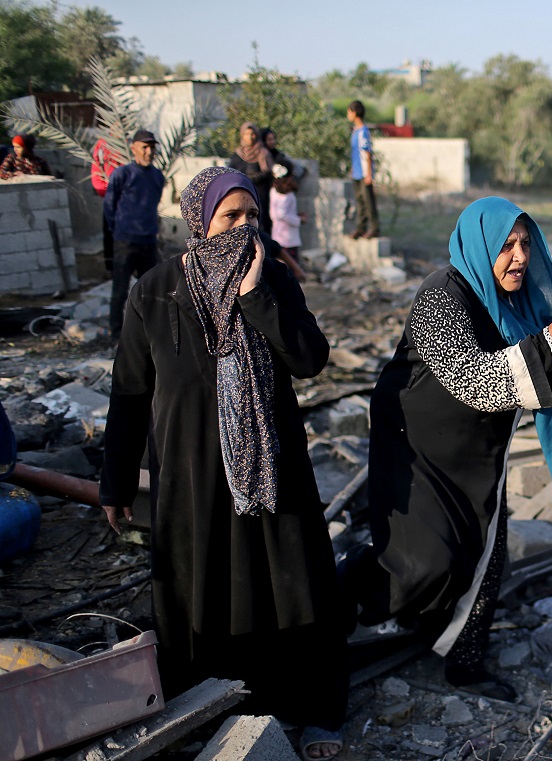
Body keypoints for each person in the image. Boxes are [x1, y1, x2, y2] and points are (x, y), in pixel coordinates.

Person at [344, 197, 552, 701]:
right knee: (421, 560)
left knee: (484, 555)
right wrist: (548, 346)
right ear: (479, 246)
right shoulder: (442, 296)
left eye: (526, 243)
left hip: (479, 453)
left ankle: (464, 662)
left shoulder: (516, 300)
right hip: (418, 452)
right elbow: (473, 380)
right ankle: (344, 601)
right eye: (506, 245)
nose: (520, 257)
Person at [99, 166, 346, 760]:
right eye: (230, 217)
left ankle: (299, 706)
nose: (243, 227)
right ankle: (214, 707)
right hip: (191, 476)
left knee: (285, 581)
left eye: (251, 216)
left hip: (272, 470)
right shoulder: (155, 290)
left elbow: (310, 359)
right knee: (206, 583)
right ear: (199, 219)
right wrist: (115, 480)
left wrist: (255, 298)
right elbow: (130, 393)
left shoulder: (273, 279)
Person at [104, 130, 164, 341]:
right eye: (144, 147)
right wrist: (119, 230)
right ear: (134, 148)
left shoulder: (157, 176)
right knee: (120, 291)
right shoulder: (122, 174)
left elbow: (153, 206)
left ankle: (150, 334)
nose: (149, 152)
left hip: (148, 241)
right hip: (125, 241)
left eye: (152, 147)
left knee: (151, 291)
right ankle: (116, 334)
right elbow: (109, 207)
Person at [228, 121, 274, 235]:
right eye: (246, 134)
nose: (250, 137)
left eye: (252, 134)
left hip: (259, 193)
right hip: (240, 193)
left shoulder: (263, 153)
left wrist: (249, 179)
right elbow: (230, 172)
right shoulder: (237, 154)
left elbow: (267, 172)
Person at [347, 101, 379, 239]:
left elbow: (367, 153)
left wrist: (369, 174)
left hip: (364, 173)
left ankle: (374, 228)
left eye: (349, 112)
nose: (348, 115)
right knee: (359, 201)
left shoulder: (363, 132)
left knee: (368, 202)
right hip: (356, 173)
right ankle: (360, 228)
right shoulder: (355, 131)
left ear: (354, 113)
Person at [92, 137, 124, 273]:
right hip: (110, 195)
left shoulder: (128, 143)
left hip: (127, 198)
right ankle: (110, 267)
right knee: (109, 231)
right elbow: (96, 168)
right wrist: (105, 190)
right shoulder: (103, 145)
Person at [270, 173, 308, 282]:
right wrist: (300, 220)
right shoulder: (288, 196)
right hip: (288, 238)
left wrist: (296, 216)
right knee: (290, 269)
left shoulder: (274, 191)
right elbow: (282, 214)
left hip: (279, 234)